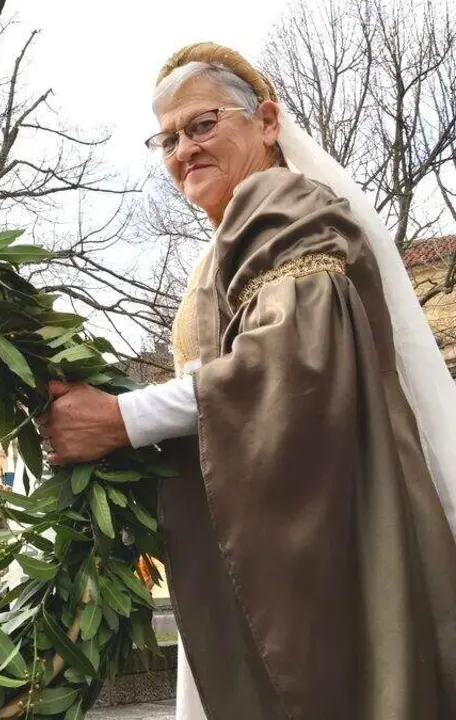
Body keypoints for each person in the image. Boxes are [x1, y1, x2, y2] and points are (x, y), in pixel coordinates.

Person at [36, 43, 456, 719]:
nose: (183, 151)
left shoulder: (285, 203)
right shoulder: (231, 240)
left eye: (202, 125)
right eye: (167, 138)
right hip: (264, 553)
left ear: (265, 121)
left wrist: (120, 420)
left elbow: (291, 365)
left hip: (323, 555)